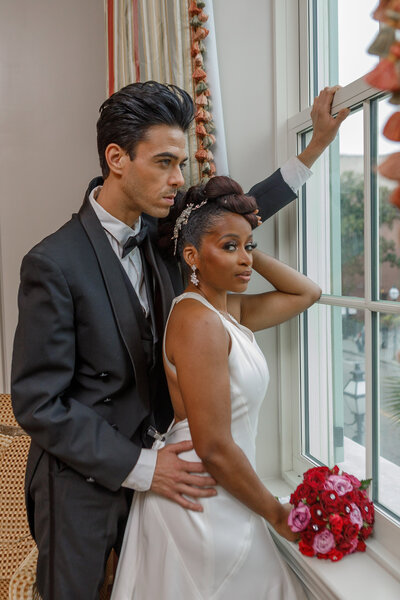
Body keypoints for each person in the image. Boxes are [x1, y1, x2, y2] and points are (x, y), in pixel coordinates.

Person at [11, 81, 347, 600]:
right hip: (83, 482)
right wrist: (144, 468)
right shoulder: (53, 263)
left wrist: (314, 148)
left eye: (181, 164)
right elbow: (38, 404)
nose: (178, 179)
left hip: (171, 484)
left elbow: (230, 217)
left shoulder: (166, 240)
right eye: (165, 162)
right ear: (117, 158)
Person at [111, 175, 321, 599]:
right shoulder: (199, 322)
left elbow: (307, 293)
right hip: (203, 498)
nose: (244, 259)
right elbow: (215, 446)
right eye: (228, 247)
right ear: (191, 255)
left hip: (224, 492)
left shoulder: (226, 313)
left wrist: (243, 242)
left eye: (249, 247)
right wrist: (278, 515)